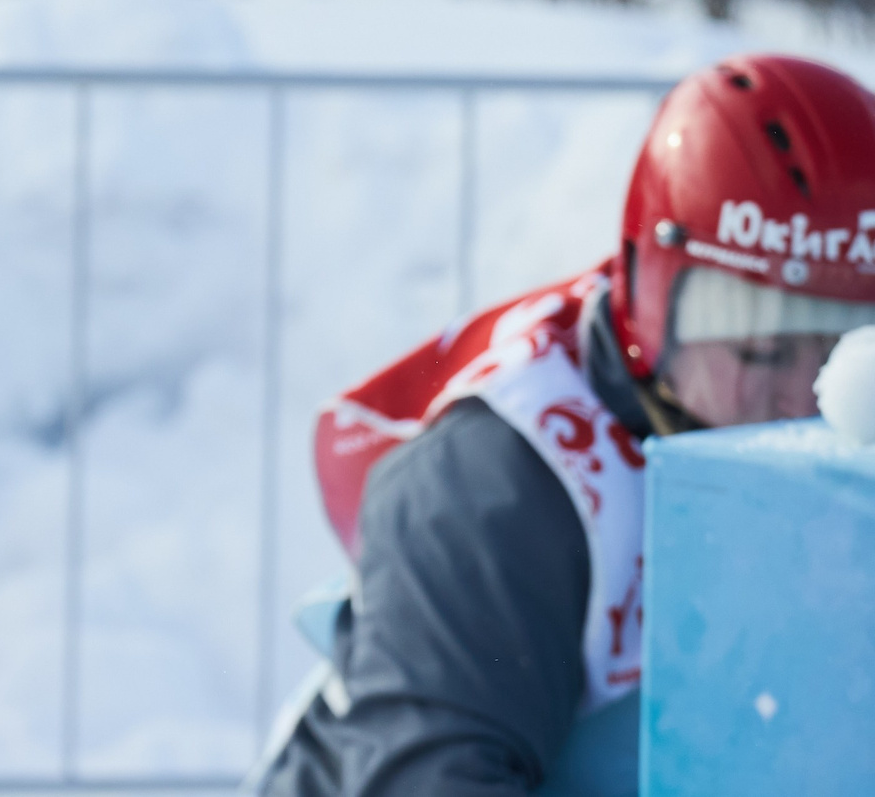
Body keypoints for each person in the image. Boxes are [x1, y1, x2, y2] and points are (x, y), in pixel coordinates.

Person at [254, 55, 875, 797]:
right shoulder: (499, 488)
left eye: (851, 344)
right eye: (757, 342)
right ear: (651, 297)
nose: (804, 395)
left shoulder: (840, 437)